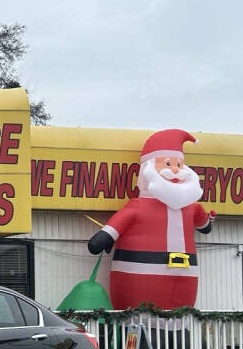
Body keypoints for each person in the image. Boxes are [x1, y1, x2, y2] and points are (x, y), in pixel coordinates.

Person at [87, 128, 215, 309]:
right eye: (168, 163)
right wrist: (105, 237)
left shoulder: (192, 208)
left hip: (185, 276)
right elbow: (115, 227)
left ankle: (180, 333)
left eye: (179, 164)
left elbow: (205, 227)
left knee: (179, 322)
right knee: (139, 323)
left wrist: (209, 222)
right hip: (139, 278)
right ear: (147, 170)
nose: (175, 170)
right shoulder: (138, 206)